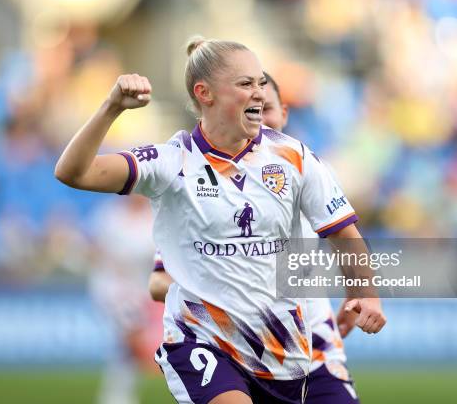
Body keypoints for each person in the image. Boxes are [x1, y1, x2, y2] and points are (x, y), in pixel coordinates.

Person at [55, 36, 386, 404]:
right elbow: (75, 172)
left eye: (261, 83)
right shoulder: (170, 163)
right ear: (205, 93)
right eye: (246, 84)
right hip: (204, 343)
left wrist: (365, 293)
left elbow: (343, 232)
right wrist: (111, 107)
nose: (259, 94)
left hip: (284, 352)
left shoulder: (293, 157)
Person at [149, 72, 362, 403]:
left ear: (284, 114)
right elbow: (160, 282)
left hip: (313, 341)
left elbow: (345, 236)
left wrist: (357, 293)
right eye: (252, 110)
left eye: (267, 109)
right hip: (236, 343)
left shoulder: (306, 169)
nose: (261, 119)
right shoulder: (207, 189)